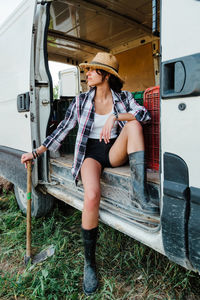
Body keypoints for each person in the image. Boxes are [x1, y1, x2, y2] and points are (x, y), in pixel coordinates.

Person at [21, 52, 159, 295]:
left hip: (115, 150)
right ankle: (89, 264)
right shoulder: (81, 100)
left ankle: (140, 193)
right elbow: (62, 130)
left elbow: (144, 116)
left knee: (134, 125)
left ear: (105, 75)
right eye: (88, 71)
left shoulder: (124, 98)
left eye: (92, 71)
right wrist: (36, 151)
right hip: (90, 154)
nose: (87, 74)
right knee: (92, 196)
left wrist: (118, 116)